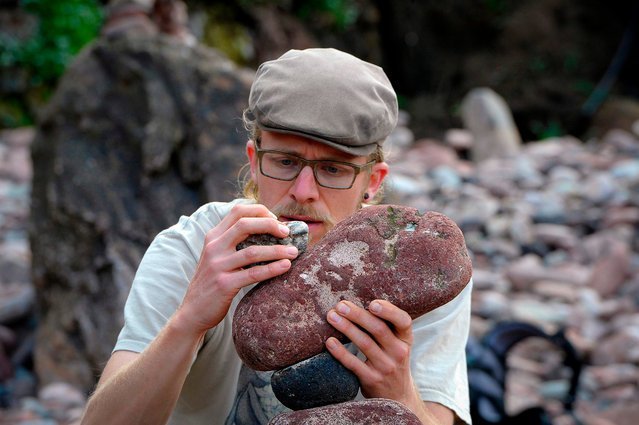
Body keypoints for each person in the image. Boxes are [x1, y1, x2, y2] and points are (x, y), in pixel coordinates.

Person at [81, 48, 472, 425]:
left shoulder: (415, 266)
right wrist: (189, 321)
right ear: (254, 161)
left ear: (373, 180)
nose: (303, 190)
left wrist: (399, 394)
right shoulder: (193, 247)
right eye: (285, 162)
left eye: (333, 169)